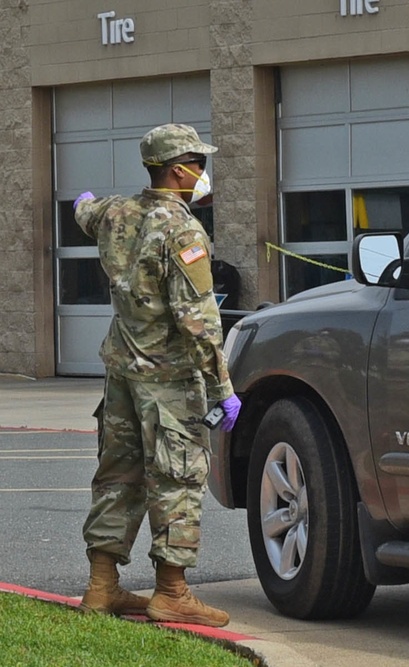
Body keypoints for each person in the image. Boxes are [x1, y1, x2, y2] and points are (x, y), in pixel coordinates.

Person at [73, 123, 242, 628]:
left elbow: (85, 210)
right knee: (177, 478)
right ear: (178, 170)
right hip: (169, 382)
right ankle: (172, 590)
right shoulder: (183, 229)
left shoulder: (115, 214)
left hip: (121, 375)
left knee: (117, 477)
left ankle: (101, 587)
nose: (203, 174)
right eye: (199, 164)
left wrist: (85, 200)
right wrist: (223, 389)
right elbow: (199, 320)